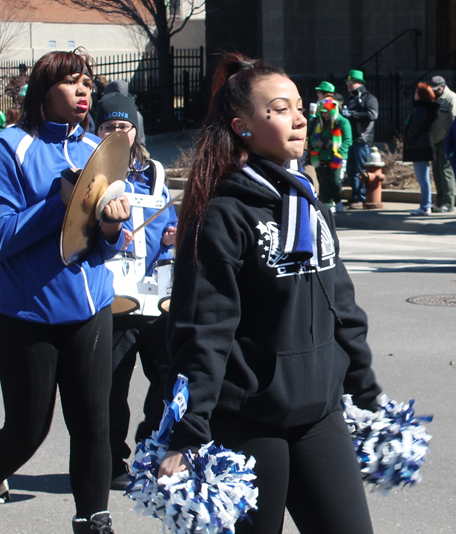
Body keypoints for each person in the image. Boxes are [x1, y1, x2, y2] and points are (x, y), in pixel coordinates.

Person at [158, 52, 381, 534]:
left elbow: (339, 301)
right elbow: (206, 327)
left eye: (298, 106)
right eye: (279, 109)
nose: (299, 118)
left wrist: (363, 385)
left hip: (319, 411)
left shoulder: (305, 198)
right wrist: (189, 429)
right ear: (242, 127)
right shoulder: (223, 213)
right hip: (248, 419)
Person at [0, 49, 130, 534]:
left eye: (88, 84)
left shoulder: (98, 149)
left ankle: (93, 522)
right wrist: (61, 204)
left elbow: (108, 242)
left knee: (94, 425)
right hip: (24, 314)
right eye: (72, 82)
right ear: (43, 91)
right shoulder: (9, 147)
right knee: (28, 430)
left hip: (89, 307)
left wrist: (114, 228)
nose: (83, 91)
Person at [94, 92, 177, 490]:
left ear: (134, 130)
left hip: (158, 297)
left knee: (165, 382)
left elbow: (170, 222)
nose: (114, 132)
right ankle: (111, 462)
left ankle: (150, 451)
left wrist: (177, 235)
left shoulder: (156, 174)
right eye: (107, 126)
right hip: (113, 300)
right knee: (111, 387)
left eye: (122, 126)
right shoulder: (88, 172)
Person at [343, 69, 379, 208]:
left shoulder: (368, 98)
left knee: (362, 169)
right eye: (348, 83)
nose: (348, 85)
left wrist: (352, 115)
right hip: (351, 139)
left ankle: (362, 197)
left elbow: (372, 114)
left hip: (362, 139)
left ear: (359, 83)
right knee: (351, 170)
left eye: (351, 83)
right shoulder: (350, 98)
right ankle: (355, 196)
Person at [310, 97, 352, 213]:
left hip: (336, 158)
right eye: (323, 113)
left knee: (335, 182)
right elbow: (313, 138)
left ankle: (337, 200)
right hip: (321, 157)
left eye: (328, 113)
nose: (325, 116)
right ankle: (327, 203)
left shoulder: (343, 122)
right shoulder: (320, 123)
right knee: (323, 182)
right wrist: (318, 143)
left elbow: (347, 141)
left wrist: (336, 149)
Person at [403, 82, 439, 216]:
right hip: (421, 146)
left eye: (417, 92)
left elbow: (415, 128)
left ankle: (425, 206)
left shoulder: (421, 110)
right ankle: (425, 205)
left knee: (423, 178)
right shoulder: (423, 109)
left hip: (420, 147)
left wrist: (407, 140)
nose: (414, 94)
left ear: (421, 95)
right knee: (423, 177)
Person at [430, 75, 456, 212]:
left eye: (436, 89)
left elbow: (454, 121)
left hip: (446, 140)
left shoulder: (451, 98)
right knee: (436, 171)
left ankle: (448, 202)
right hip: (434, 139)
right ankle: (439, 201)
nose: (434, 91)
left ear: (442, 86)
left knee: (446, 171)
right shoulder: (433, 97)